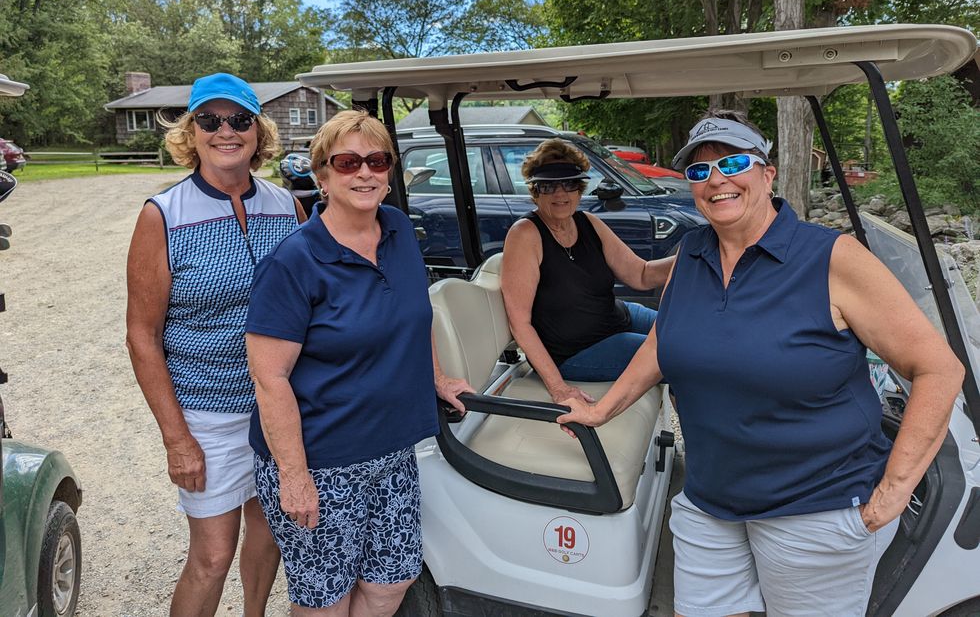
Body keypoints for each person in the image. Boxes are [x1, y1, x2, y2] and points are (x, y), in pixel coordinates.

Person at [558, 111, 965, 617]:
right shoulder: (693, 252)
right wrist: (603, 410)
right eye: (700, 171)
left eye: (732, 163)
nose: (717, 181)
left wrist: (895, 490)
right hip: (709, 499)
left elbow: (939, 370)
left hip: (813, 508)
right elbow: (663, 344)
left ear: (767, 174)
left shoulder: (830, 257)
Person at [245, 109, 472, 617]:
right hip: (324, 464)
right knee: (326, 600)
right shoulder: (293, 263)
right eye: (347, 162)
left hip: (393, 451)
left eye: (377, 160)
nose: (365, 172)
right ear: (322, 176)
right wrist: (294, 476)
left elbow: (415, 313)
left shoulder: (396, 229)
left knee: (393, 579)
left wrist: (435, 377)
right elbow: (269, 377)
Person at [126, 72, 305, 617]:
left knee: (270, 535)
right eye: (210, 120)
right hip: (207, 413)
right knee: (211, 555)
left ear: (258, 130)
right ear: (192, 131)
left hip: (279, 407)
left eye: (239, 120)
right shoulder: (164, 215)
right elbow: (141, 334)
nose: (225, 131)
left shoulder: (288, 207)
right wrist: (176, 437)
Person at [500, 138, 673, 404]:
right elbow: (519, 323)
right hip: (577, 352)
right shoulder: (525, 235)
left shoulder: (587, 222)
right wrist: (559, 388)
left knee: (688, 332)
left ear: (580, 188)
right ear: (536, 191)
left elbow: (641, 274)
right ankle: (705, 439)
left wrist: (692, 258)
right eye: (549, 186)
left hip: (617, 318)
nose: (560, 194)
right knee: (679, 355)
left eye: (569, 183)